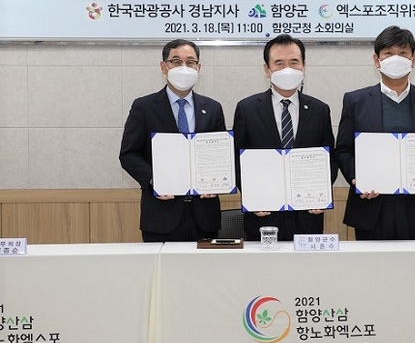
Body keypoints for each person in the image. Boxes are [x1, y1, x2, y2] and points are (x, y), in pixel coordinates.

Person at [335, 26, 415, 240]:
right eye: (388, 53)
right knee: (372, 262)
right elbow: (344, 150)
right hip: (371, 207)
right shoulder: (355, 101)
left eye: (403, 53)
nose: (396, 59)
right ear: (376, 60)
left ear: (413, 58)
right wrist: (358, 178)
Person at [120, 39, 226, 242]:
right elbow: (129, 154)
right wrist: (154, 180)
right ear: (164, 67)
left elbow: (219, 155)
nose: (184, 68)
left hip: (204, 216)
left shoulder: (213, 108)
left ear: (198, 68)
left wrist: (216, 182)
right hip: (161, 216)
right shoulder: (144, 107)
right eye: (176, 61)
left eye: (190, 62)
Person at [233, 34, 336, 241]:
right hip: (263, 217)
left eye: (294, 62)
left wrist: (322, 194)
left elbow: (330, 159)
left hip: (308, 217)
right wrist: (252, 197)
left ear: (303, 66)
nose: (287, 69)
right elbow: (236, 159)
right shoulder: (247, 109)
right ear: (267, 69)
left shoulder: (319, 110)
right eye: (279, 63)